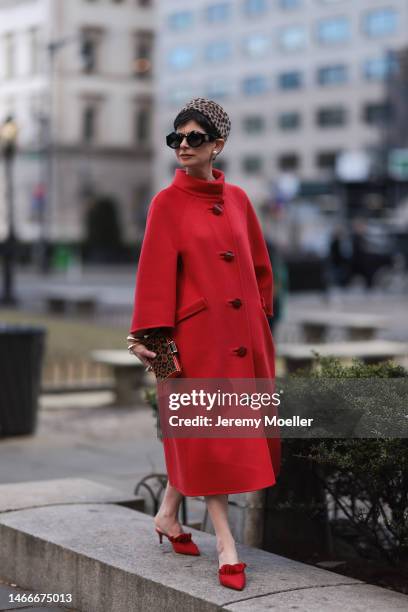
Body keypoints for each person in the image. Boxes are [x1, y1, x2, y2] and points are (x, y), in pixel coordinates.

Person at [127, 98, 281, 591]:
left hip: (243, 338)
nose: (184, 146)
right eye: (177, 138)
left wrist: (258, 318)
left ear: (218, 144)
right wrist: (150, 338)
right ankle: (227, 545)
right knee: (212, 438)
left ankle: (168, 516)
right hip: (196, 343)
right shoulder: (165, 203)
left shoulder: (238, 198)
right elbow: (153, 276)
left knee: (209, 435)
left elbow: (259, 266)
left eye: (195, 138)